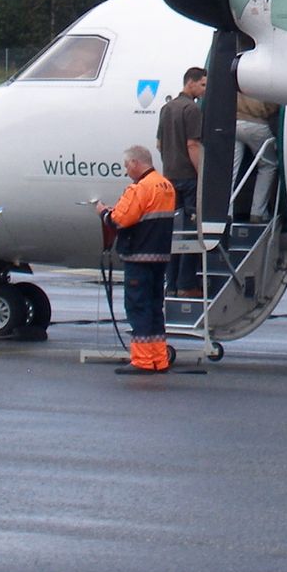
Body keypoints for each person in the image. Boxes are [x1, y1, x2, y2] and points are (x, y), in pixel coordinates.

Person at [97, 145, 180, 374]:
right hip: (160, 257)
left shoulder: (140, 189)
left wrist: (103, 212)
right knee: (154, 308)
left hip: (139, 257)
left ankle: (143, 361)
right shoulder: (166, 186)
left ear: (135, 162)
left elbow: (120, 220)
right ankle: (158, 359)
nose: (126, 171)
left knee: (137, 306)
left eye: (126, 166)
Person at [156, 67, 206, 296]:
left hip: (169, 177)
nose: (205, 90)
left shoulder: (167, 108)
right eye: (203, 85)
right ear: (191, 83)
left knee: (173, 233)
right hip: (188, 178)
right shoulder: (192, 109)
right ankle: (186, 284)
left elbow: (159, 144)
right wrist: (202, 174)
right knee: (191, 233)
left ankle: (171, 283)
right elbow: (192, 145)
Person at [233, 91, 278, 222]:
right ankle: (258, 212)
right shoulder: (264, 78)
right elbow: (273, 106)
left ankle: (226, 212)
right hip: (257, 124)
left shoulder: (238, 75)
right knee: (268, 165)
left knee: (232, 169)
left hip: (234, 123)